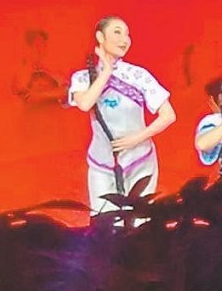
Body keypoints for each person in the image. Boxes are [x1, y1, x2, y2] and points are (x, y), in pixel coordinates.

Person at [68, 15, 176, 214]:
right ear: (100, 37)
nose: (124, 39)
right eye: (117, 32)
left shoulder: (138, 75)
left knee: (140, 219)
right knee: (104, 220)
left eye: (127, 34)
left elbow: (168, 115)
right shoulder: (82, 78)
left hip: (140, 158)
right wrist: (106, 71)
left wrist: (137, 138)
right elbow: (85, 104)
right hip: (102, 162)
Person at [13, 29, 68, 105]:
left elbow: (66, 89)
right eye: (38, 45)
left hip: (53, 110)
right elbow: (24, 93)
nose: (41, 49)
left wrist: (41, 94)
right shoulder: (22, 70)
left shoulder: (50, 70)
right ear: (29, 46)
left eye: (44, 45)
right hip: (32, 111)